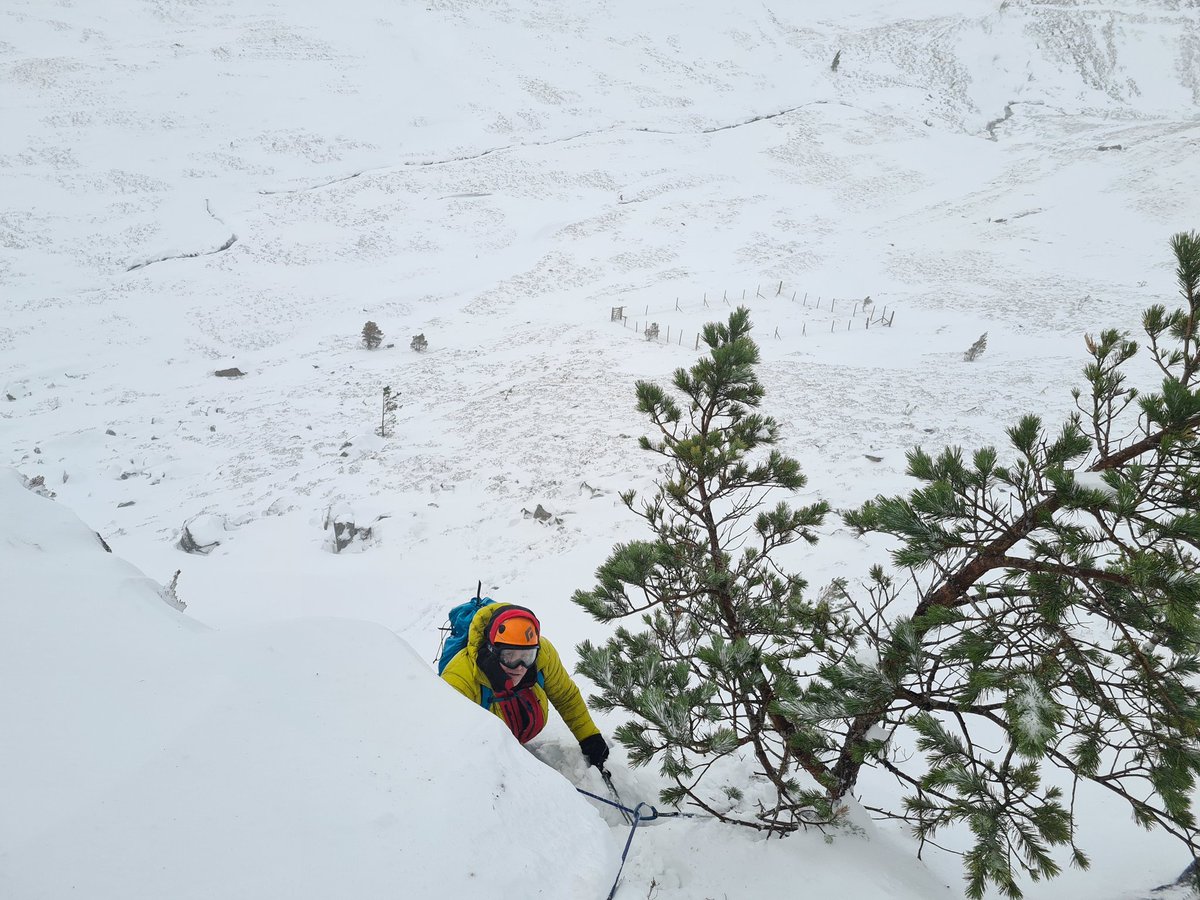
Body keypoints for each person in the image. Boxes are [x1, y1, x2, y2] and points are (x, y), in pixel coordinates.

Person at [440, 602, 610, 768]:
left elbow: (565, 696)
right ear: (492, 651)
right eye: (509, 656)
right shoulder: (460, 677)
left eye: (527, 656)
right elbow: (451, 743)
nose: (519, 666)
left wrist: (589, 737)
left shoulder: (544, 655)